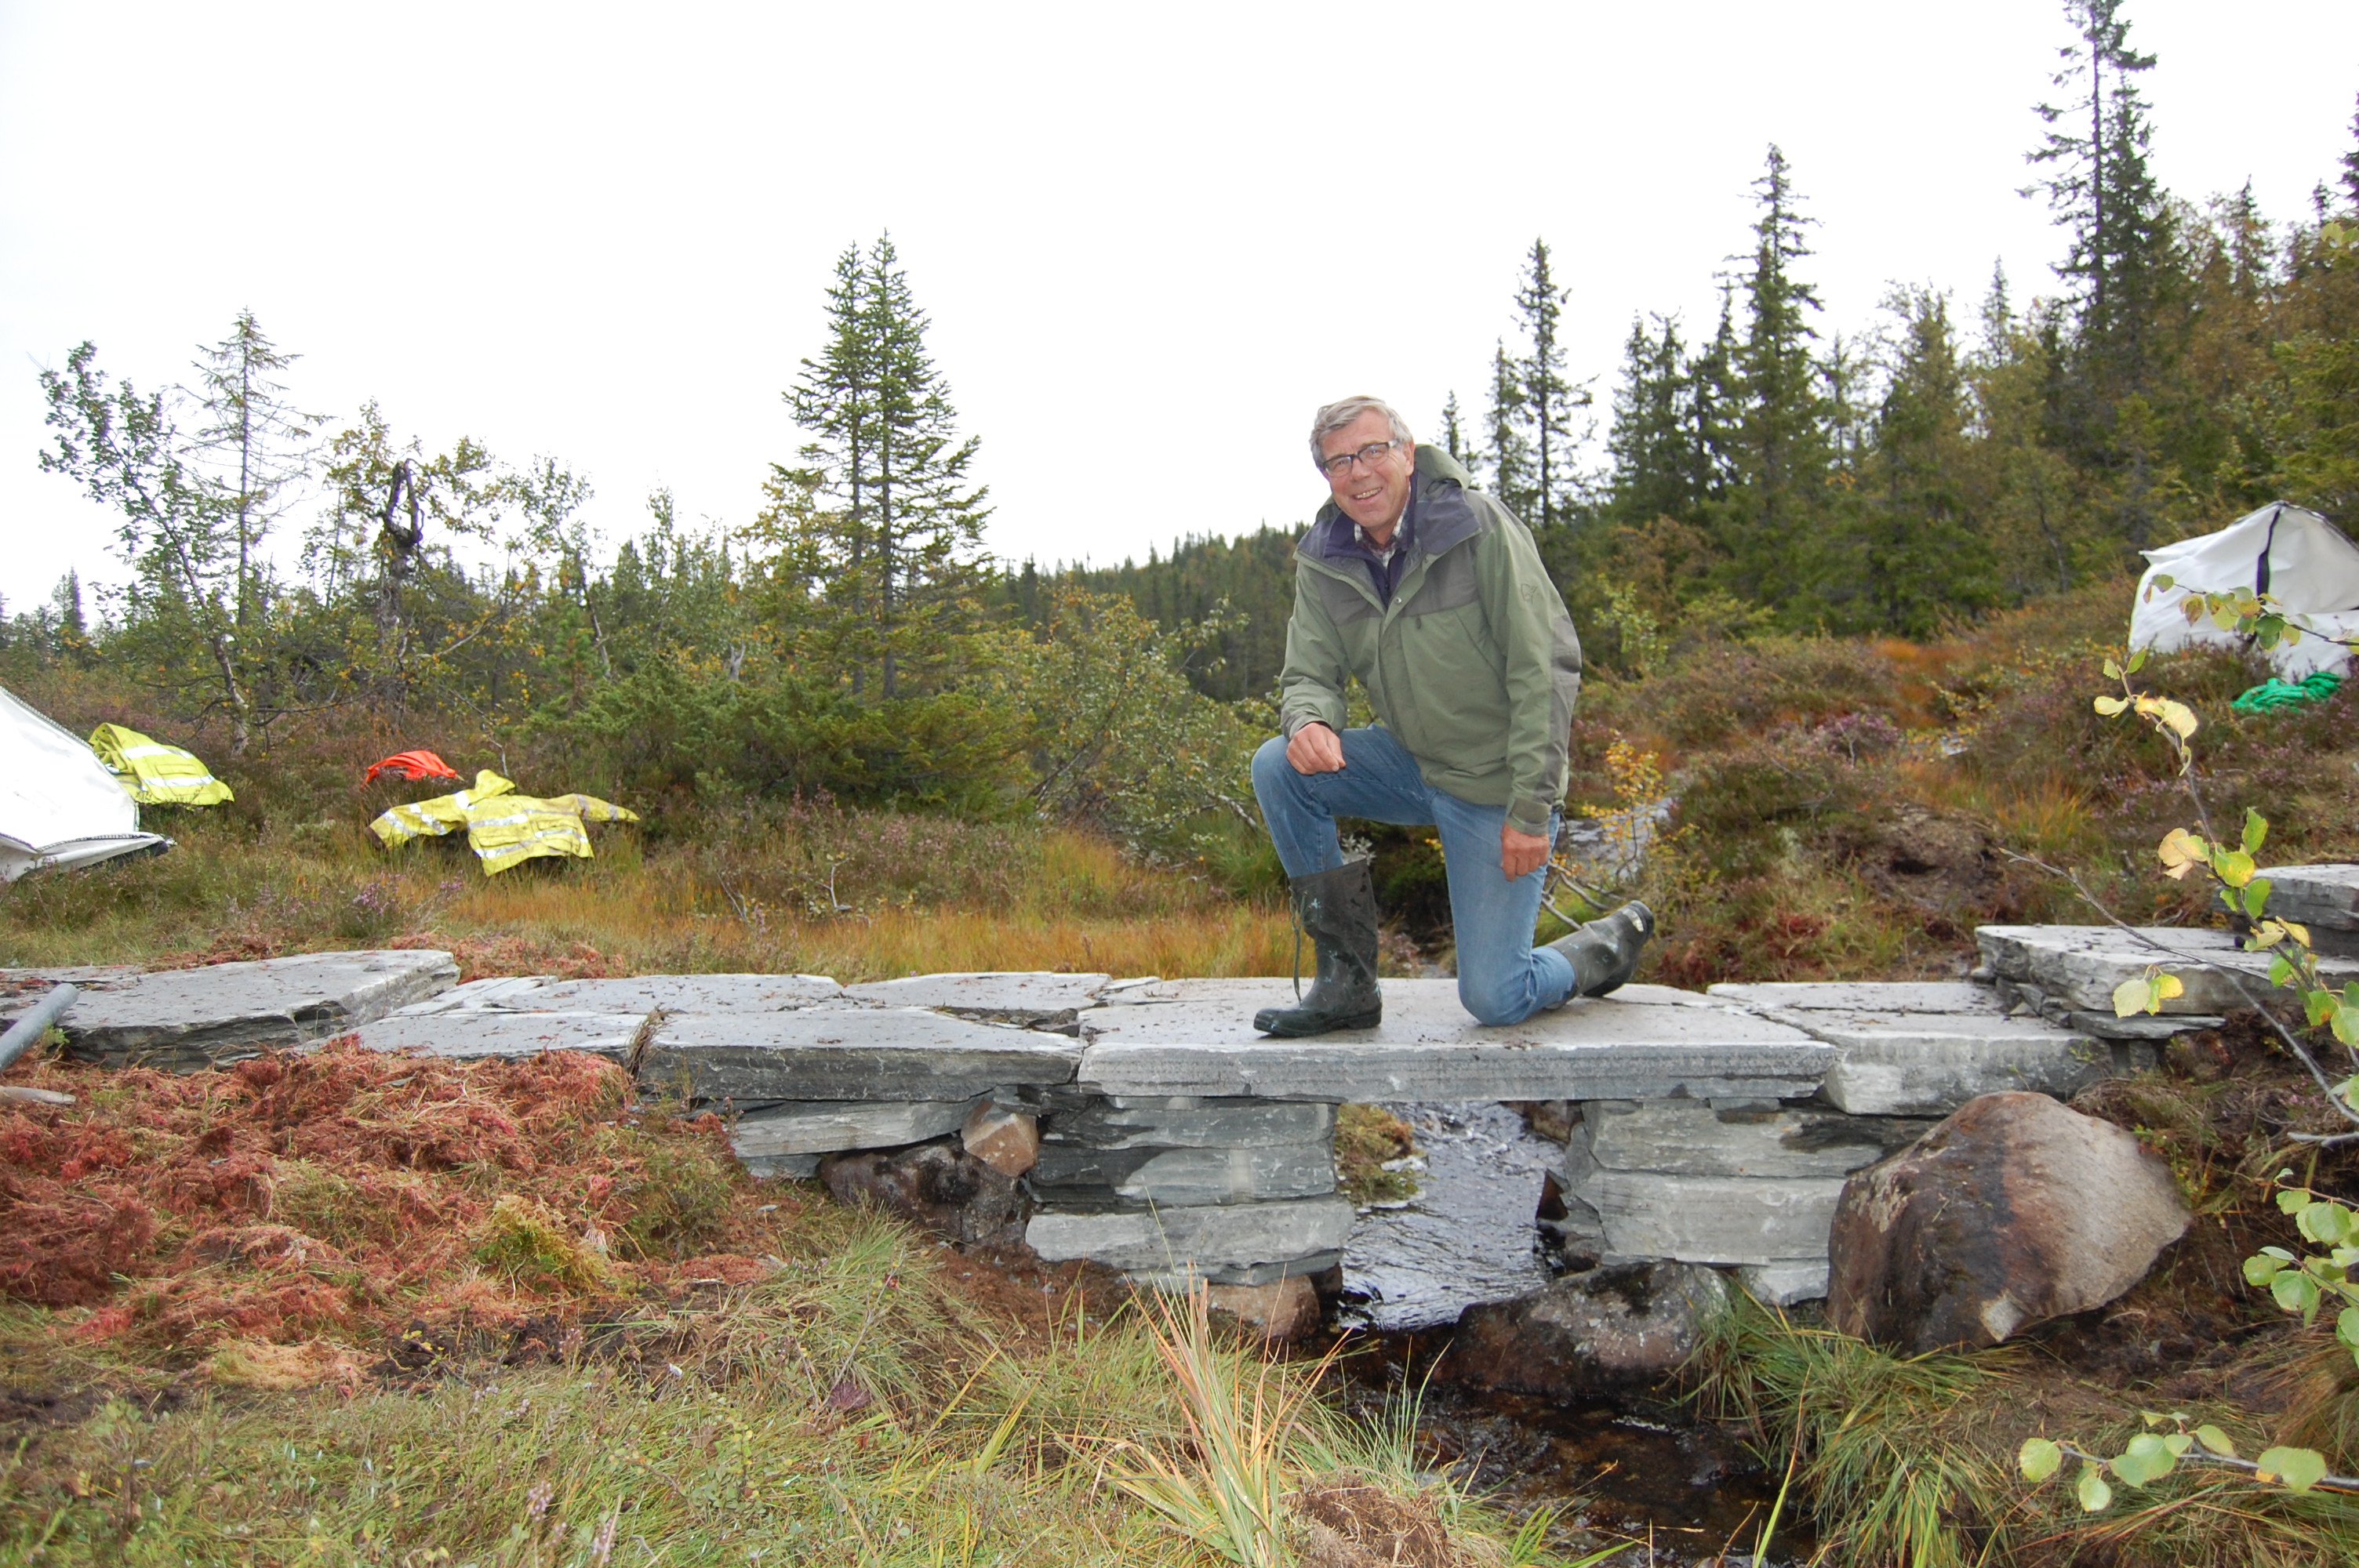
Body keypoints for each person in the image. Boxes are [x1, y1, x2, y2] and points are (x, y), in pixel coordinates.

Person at [1250, 395, 1654, 1036]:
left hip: (1496, 785)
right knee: (1278, 765)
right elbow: (1308, 672)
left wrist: (1529, 810)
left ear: (1408, 455)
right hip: (1411, 763)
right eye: (1339, 462)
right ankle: (1347, 984)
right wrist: (1309, 722)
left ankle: (1601, 949)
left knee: (1496, 997)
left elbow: (1543, 668)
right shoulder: (1325, 557)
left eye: (1374, 451)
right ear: (1326, 476)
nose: (1359, 473)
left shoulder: (1476, 526)